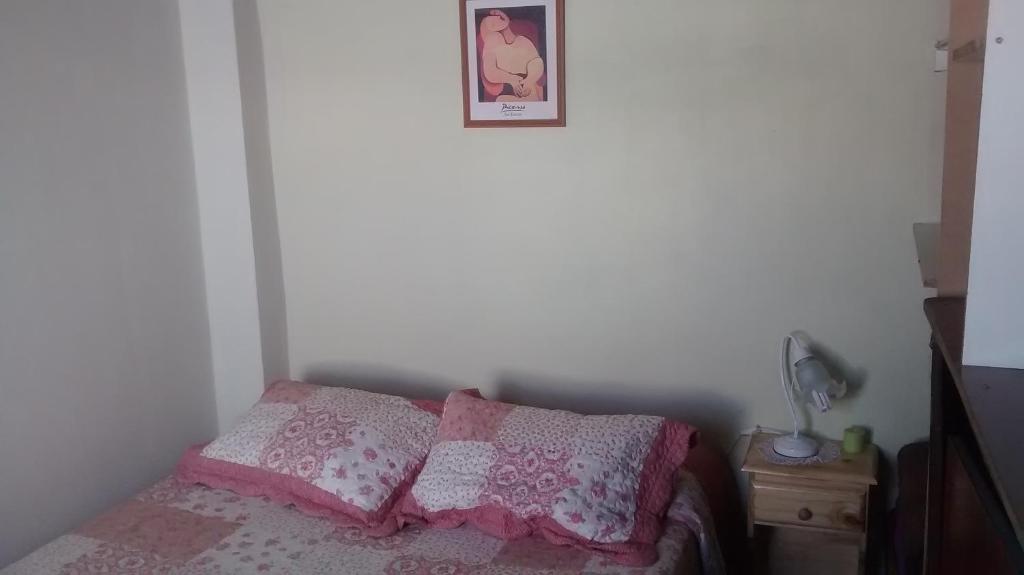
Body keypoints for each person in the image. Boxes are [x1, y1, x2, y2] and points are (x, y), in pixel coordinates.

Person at [479, 9, 545, 102]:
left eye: (497, 18)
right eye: (493, 23)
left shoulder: (523, 41)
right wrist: (512, 79)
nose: (497, 18)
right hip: (508, 95)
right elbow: (490, 72)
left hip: (531, 91)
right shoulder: (491, 44)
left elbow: (537, 63)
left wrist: (528, 81)